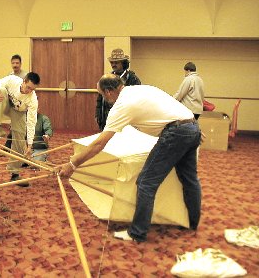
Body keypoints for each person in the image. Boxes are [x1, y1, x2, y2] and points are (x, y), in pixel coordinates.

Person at [59, 74, 202, 242]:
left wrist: (73, 164)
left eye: (102, 95)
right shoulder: (141, 89)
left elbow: (99, 144)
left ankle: (137, 232)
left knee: (146, 182)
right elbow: (175, 110)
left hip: (176, 133)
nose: (104, 99)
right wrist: (192, 130)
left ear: (109, 92)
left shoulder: (122, 105)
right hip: (191, 125)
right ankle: (193, 223)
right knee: (189, 178)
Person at [0, 72, 40, 187]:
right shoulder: (12, 80)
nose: (29, 91)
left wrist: (29, 145)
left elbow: (31, 123)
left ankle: (14, 174)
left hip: (19, 113)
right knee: (1, 90)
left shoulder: (33, 100)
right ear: (23, 81)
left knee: (19, 141)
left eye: (32, 89)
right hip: (6, 105)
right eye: (28, 87)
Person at [95, 48, 141, 131]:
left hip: (125, 118)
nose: (113, 65)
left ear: (123, 63)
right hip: (108, 117)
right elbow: (100, 98)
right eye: (112, 62)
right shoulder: (106, 78)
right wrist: (98, 115)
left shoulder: (132, 79)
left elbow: (137, 101)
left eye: (116, 63)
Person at [5, 54, 27, 149]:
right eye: (13, 63)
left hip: (23, 104)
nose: (15, 65)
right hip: (13, 104)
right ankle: (9, 145)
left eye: (17, 63)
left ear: (20, 64)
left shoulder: (26, 75)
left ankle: (24, 148)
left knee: (22, 127)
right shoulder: (10, 76)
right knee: (13, 126)